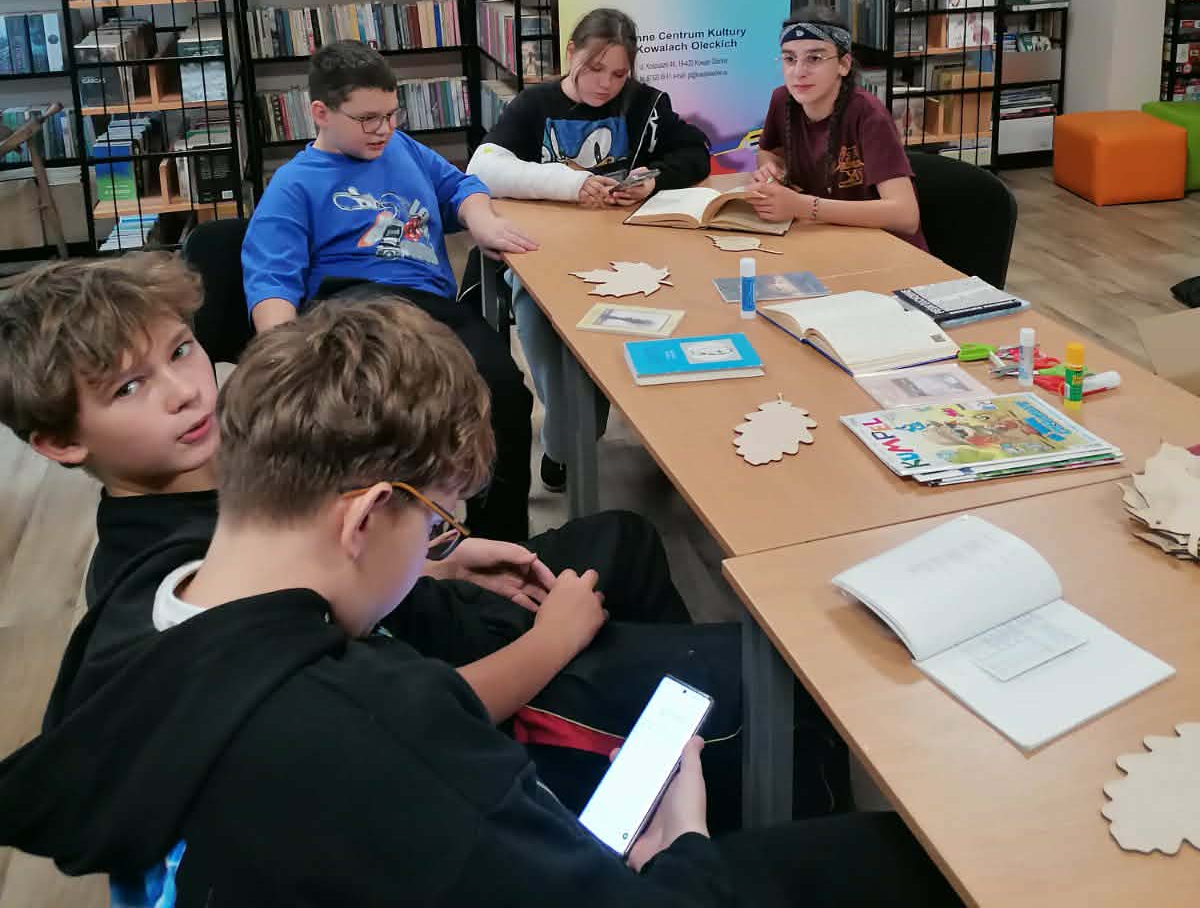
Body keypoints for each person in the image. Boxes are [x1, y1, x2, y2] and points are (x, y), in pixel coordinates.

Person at [0, 294, 959, 907]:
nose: (437, 541)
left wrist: (441, 562)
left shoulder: (135, 626)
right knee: (913, 858)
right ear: (364, 516)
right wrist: (687, 844)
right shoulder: (384, 733)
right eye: (432, 520)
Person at [241, 39, 539, 538]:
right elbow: (272, 281)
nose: (383, 129)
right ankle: (396, 549)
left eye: (391, 114)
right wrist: (287, 364)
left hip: (432, 309)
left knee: (503, 396)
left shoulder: (402, 148)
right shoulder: (293, 184)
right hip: (355, 311)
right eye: (367, 119)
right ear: (321, 113)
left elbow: (461, 186)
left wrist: (482, 220)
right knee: (389, 420)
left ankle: (501, 545)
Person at [467, 8, 709, 491]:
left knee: (655, 309)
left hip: (628, 252)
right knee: (538, 313)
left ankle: (601, 432)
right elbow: (483, 167)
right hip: (548, 252)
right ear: (570, 53)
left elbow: (695, 152)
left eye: (619, 74)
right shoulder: (534, 105)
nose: (606, 84)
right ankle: (568, 437)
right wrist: (569, 185)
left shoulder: (645, 104)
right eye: (595, 69)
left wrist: (654, 179)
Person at [746, 11, 927, 248]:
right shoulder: (782, 100)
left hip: (886, 249)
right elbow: (768, 151)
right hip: (825, 239)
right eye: (789, 59)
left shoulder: (869, 115)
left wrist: (802, 206)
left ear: (843, 64)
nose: (799, 71)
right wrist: (770, 169)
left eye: (814, 58)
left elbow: (905, 216)